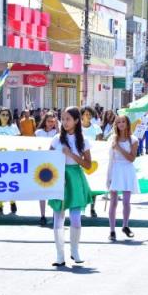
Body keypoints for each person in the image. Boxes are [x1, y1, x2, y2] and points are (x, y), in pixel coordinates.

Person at [48, 107, 93, 266]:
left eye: (68, 119)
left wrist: (71, 155)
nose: (65, 122)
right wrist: (56, 175)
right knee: (58, 218)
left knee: (75, 219)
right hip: (59, 178)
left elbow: (88, 164)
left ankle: (75, 250)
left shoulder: (84, 140)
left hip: (75, 177)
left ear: (76, 121)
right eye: (63, 119)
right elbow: (48, 160)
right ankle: (60, 255)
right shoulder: (56, 139)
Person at [106, 115, 139, 240]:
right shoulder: (112, 139)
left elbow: (131, 158)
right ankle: (112, 230)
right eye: (118, 122)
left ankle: (125, 225)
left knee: (126, 201)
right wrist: (108, 177)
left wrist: (119, 148)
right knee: (113, 201)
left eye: (123, 121)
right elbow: (109, 158)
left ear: (127, 123)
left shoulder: (133, 140)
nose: (121, 124)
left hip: (127, 170)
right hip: (115, 170)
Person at [0, 107, 20, 215]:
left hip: (11, 160)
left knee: (11, 182)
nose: (5, 117)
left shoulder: (13, 128)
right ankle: (0, 205)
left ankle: (12, 201)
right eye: (3, 114)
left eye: (7, 115)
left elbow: (19, 143)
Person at [34, 111, 59, 226]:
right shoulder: (39, 132)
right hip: (41, 163)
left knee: (55, 191)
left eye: (53, 122)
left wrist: (58, 126)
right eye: (49, 121)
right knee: (42, 191)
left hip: (54, 164)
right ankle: (42, 215)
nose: (51, 124)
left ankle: (55, 214)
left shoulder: (56, 133)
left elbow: (61, 139)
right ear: (45, 121)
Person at [81, 106, 102, 218]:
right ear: (82, 115)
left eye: (89, 114)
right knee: (82, 185)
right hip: (80, 159)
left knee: (94, 184)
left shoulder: (96, 128)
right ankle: (82, 207)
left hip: (93, 160)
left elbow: (100, 143)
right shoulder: (77, 128)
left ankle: (92, 208)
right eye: (86, 114)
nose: (88, 116)